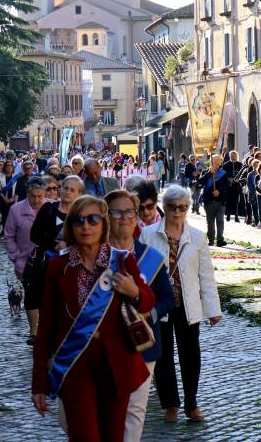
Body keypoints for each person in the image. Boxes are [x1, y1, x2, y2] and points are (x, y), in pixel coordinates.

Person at [32, 196, 155, 441]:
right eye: (79, 221)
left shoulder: (122, 260)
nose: (86, 226)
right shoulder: (58, 267)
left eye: (93, 219)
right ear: (70, 226)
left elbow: (148, 303)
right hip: (76, 367)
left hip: (116, 367)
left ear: (104, 224)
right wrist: (39, 385)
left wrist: (134, 292)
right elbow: (45, 328)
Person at [139, 185, 222, 423]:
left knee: (190, 355)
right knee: (163, 356)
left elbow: (206, 275)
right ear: (164, 208)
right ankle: (170, 404)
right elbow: (142, 273)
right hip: (160, 304)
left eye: (183, 207)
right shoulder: (148, 235)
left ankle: (191, 403)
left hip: (188, 303)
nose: (178, 212)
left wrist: (213, 309)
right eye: (173, 207)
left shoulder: (197, 236)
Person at [104, 189, 174, 442]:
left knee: (134, 410)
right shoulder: (96, 254)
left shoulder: (151, 256)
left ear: (136, 217)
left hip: (141, 342)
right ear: (106, 217)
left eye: (129, 212)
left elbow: (167, 298)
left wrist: (149, 314)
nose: (124, 217)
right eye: (116, 212)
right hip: (102, 344)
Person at [5, 177, 48, 345]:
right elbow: (9, 236)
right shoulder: (16, 210)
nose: (37, 200)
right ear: (27, 194)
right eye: (33, 196)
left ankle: (47, 328)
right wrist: (16, 258)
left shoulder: (51, 207)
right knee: (31, 295)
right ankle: (34, 332)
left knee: (48, 295)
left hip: (49, 260)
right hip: (26, 262)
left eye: (40, 196)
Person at [197, 154, 229, 247]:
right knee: (210, 222)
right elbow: (200, 183)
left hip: (220, 201)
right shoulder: (205, 172)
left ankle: (220, 240)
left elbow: (226, 186)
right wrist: (209, 174)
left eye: (219, 161)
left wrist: (219, 191)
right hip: (209, 201)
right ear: (211, 162)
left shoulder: (223, 173)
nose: (217, 163)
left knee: (220, 221)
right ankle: (211, 239)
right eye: (215, 161)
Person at [223, 151, 244, 223]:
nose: (233, 157)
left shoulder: (240, 164)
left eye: (234, 156)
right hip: (228, 185)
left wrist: (238, 180)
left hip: (237, 185)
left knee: (236, 200)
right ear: (230, 156)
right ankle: (228, 214)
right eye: (232, 156)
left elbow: (241, 174)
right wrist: (228, 179)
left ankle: (236, 215)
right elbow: (223, 174)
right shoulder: (226, 165)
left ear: (236, 156)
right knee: (229, 200)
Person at [247, 160, 261, 229]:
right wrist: (253, 193)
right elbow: (249, 185)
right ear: (253, 166)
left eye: (257, 165)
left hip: (260, 194)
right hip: (253, 194)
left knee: (260, 208)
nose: (256, 166)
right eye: (255, 165)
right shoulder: (250, 174)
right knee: (254, 208)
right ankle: (256, 221)